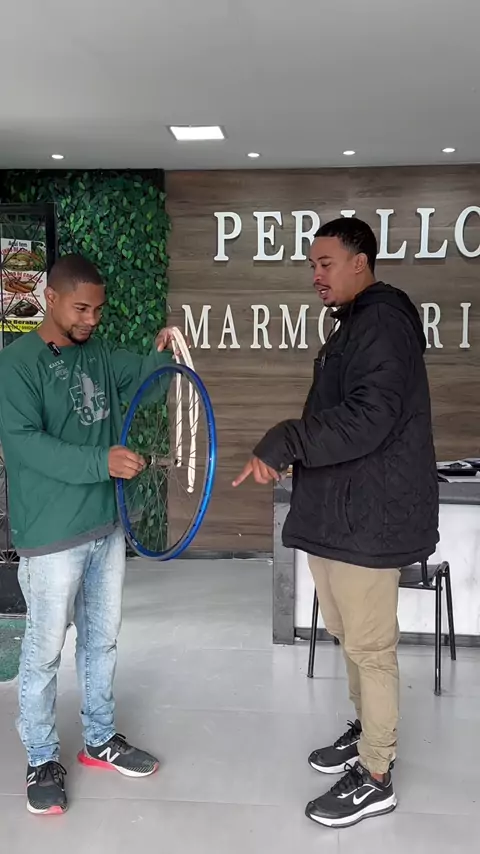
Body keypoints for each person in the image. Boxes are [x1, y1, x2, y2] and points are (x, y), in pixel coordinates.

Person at [233, 217, 438, 829]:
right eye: (312, 265)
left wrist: (288, 439)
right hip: (342, 515)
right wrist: (295, 451)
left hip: (369, 520)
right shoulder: (355, 324)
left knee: (370, 649)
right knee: (351, 638)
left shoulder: (382, 323)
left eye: (325, 263)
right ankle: (366, 731)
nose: (316, 276)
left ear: (360, 262)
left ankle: (376, 776)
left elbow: (369, 418)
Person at [0, 253, 176, 816]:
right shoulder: (16, 364)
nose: (91, 320)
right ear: (50, 298)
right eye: (81, 309)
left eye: (98, 310)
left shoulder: (97, 352)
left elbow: (148, 385)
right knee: (44, 651)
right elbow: (25, 443)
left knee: (102, 640)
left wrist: (162, 355)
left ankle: (99, 739)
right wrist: (102, 461)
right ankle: (41, 758)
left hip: (105, 527)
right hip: (51, 533)